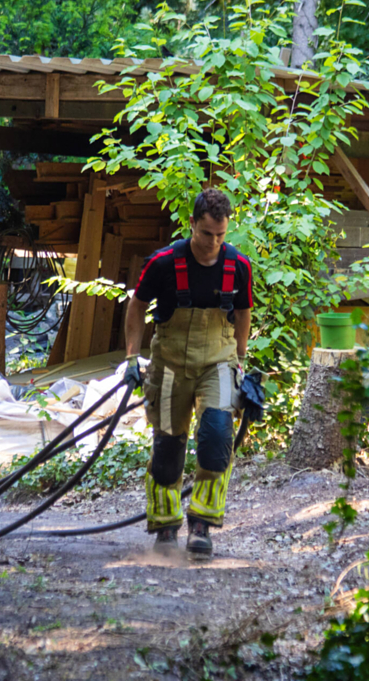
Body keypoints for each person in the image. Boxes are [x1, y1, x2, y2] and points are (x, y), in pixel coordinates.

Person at [123, 188, 253, 557]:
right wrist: (132, 358)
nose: (214, 242)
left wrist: (241, 359)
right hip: (169, 364)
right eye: (207, 233)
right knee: (168, 446)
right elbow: (137, 306)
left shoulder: (238, 266)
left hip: (219, 361)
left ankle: (202, 524)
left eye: (221, 235)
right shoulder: (164, 263)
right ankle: (165, 526)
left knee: (215, 436)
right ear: (192, 224)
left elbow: (242, 312)